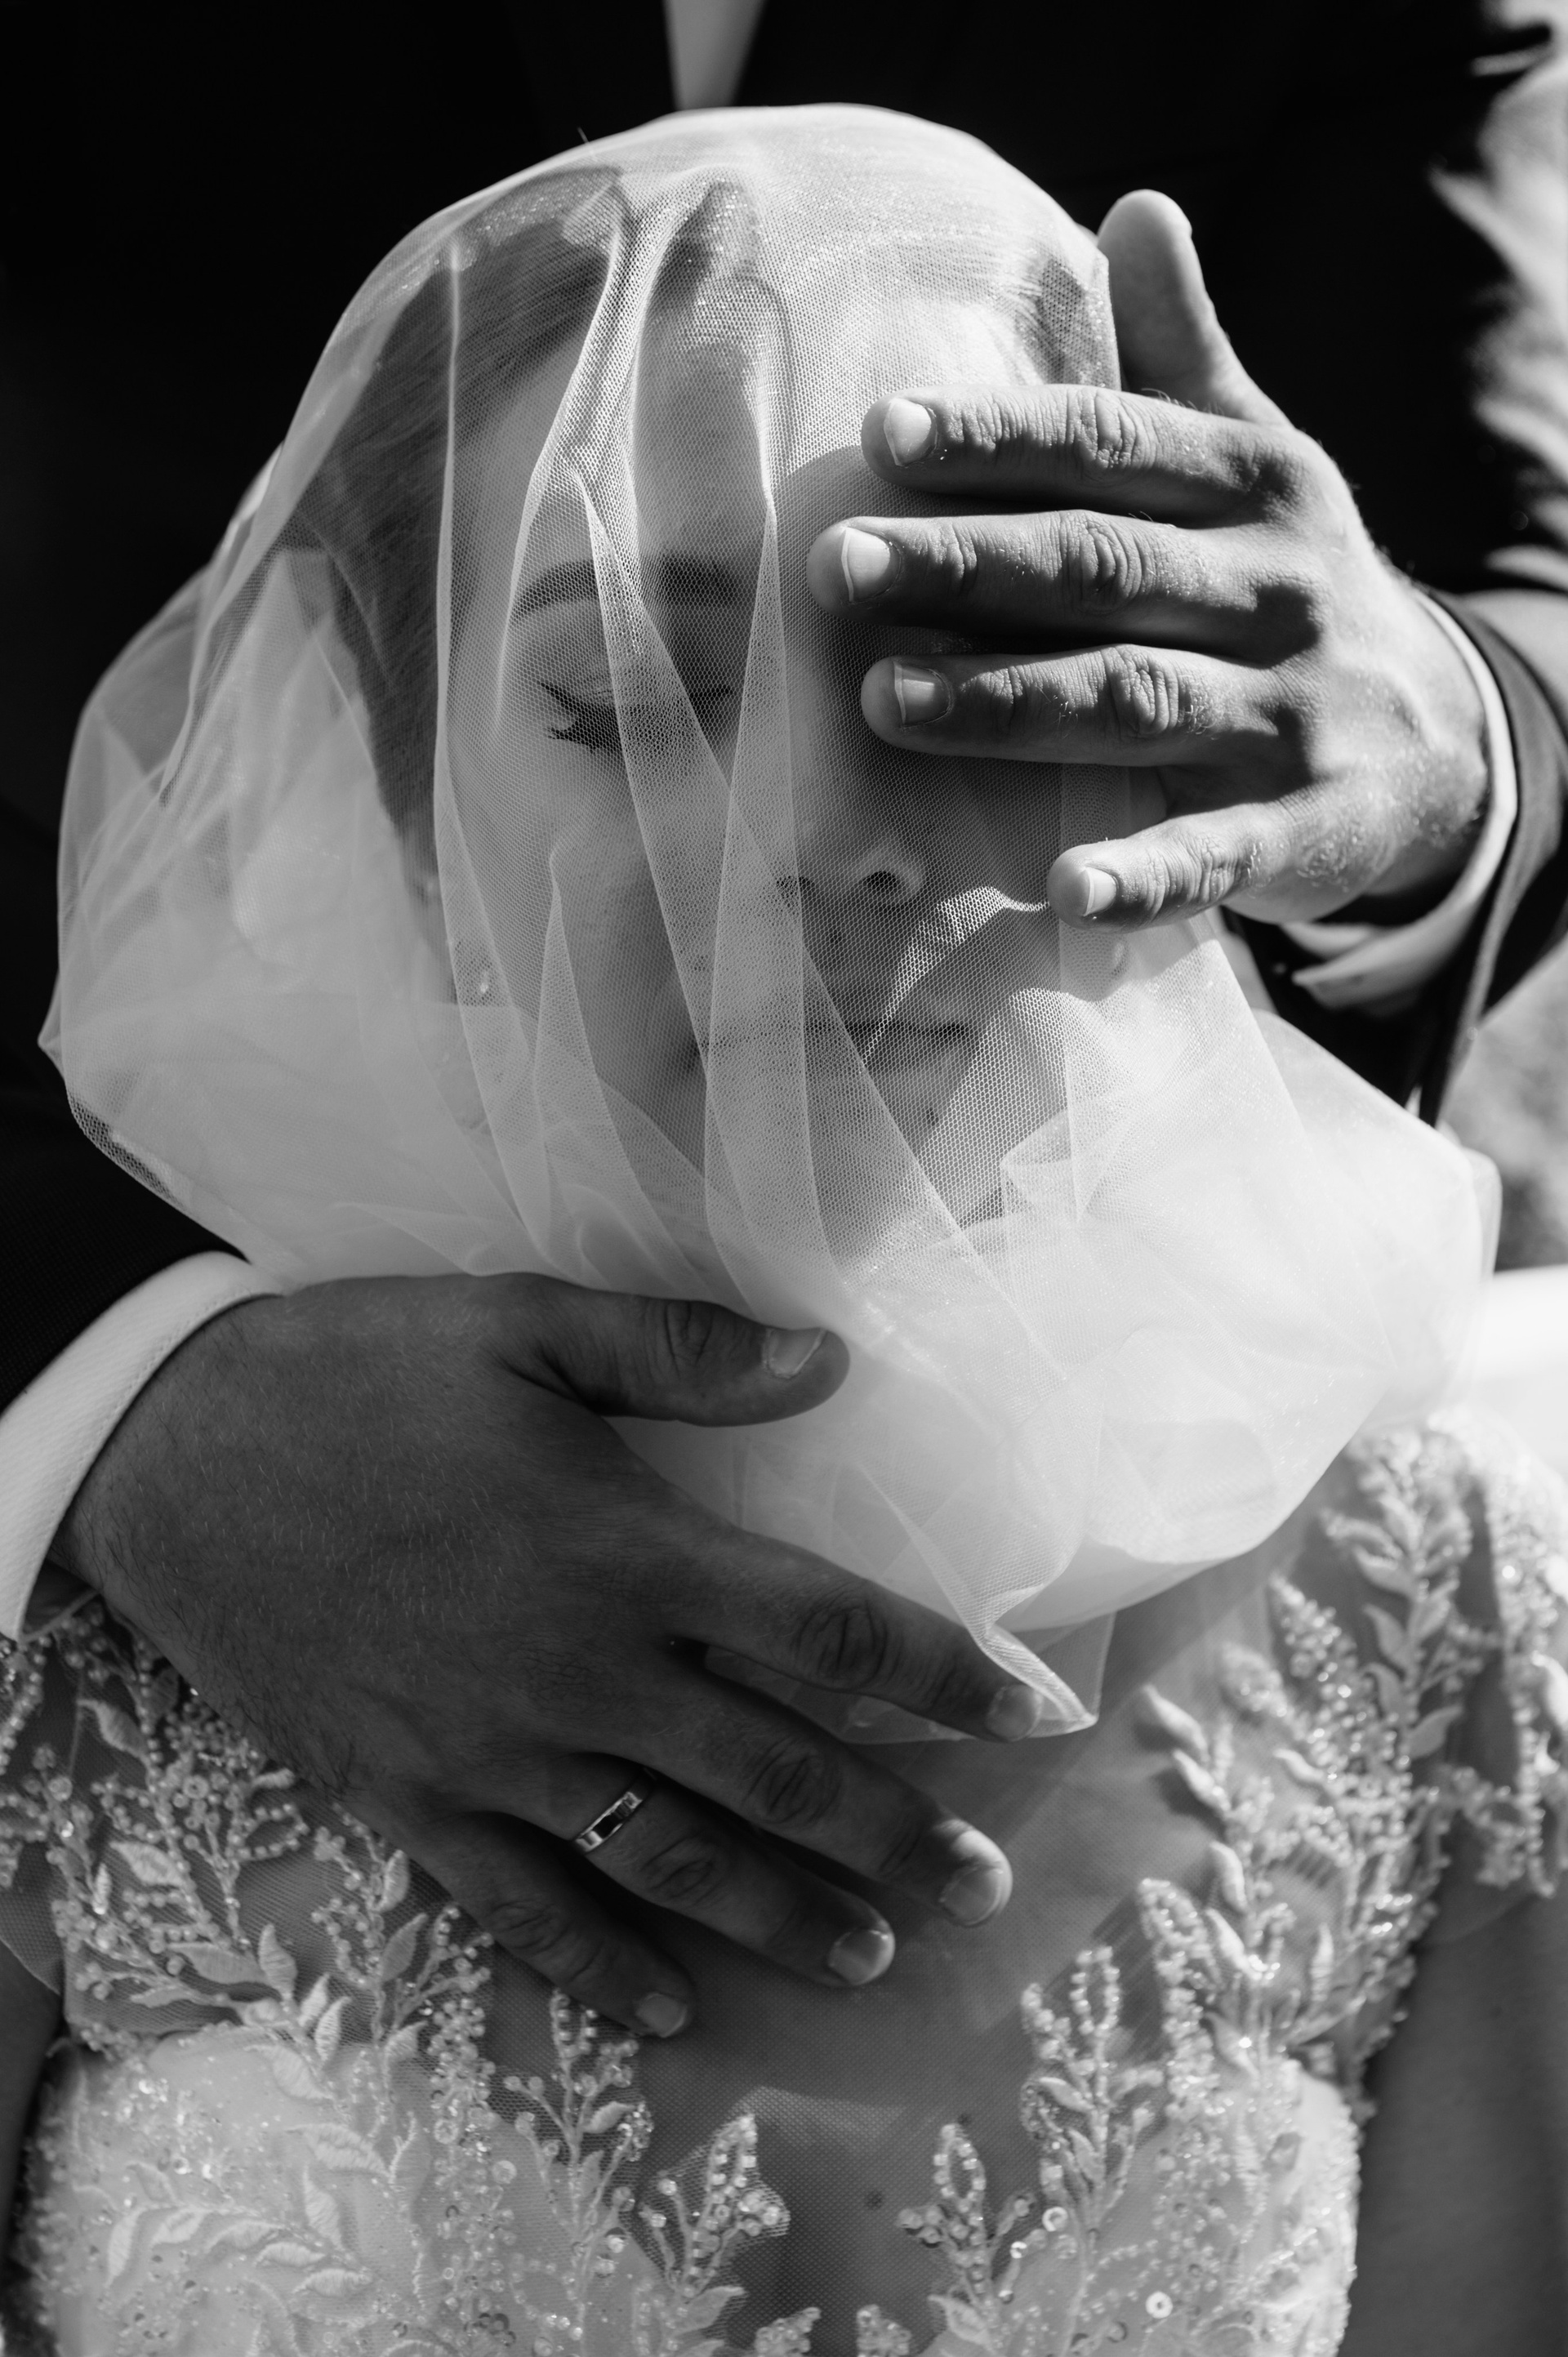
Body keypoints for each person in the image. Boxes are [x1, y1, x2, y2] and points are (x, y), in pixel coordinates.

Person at [2, 110, 1566, 2350]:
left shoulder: (1433, 1607)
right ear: (405, 800)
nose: (827, 837)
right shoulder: (83, 1582)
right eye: (628, 694)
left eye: (962, 677)